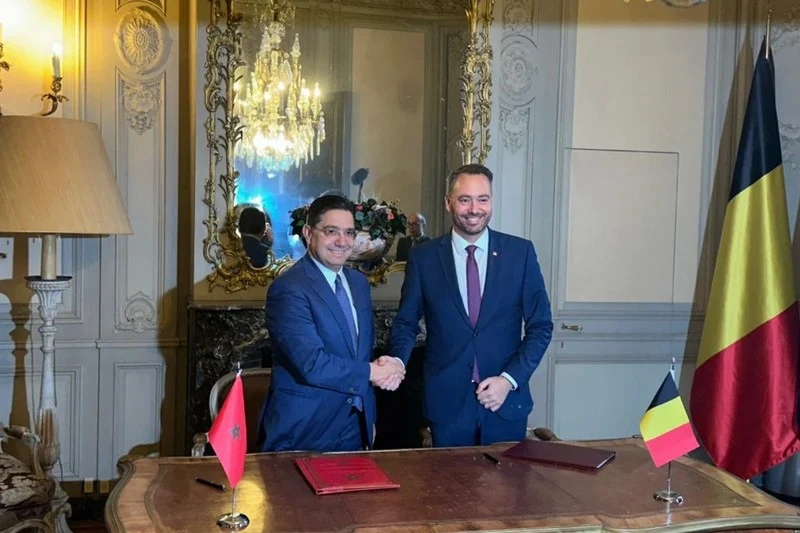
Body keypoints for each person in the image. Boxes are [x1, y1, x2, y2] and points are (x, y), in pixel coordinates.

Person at [387, 164, 553, 447]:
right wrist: (397, 361)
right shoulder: (424, 258)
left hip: (505, 400)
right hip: (446, 404)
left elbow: (541, 327)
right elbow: (406, 323)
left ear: (491, 201)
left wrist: (509, 380)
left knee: (508, 476)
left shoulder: (520, 253)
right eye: (464, 199)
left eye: (482, 199)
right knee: (449, 478)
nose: (474, 209)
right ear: (448, 202)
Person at [257, 194, 405, 452]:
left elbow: (360, 353)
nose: (342, 241)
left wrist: (370, 410)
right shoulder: (289, 289)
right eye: (331, 231)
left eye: (349, 232)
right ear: (308, 233)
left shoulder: (358, 283)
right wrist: (373, 372)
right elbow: (311, 363)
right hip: (305, 431)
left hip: (355, 426)